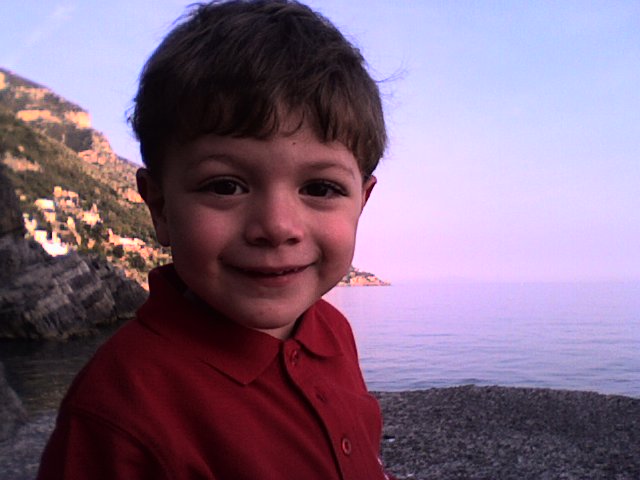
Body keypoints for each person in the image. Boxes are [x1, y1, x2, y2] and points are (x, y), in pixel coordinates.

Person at [37, 1, 391, 478]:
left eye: (320, 189)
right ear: (160, 206)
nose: (277, 226)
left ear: (361, 203)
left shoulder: (333, 331)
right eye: (225, 186)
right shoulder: (118, 418)